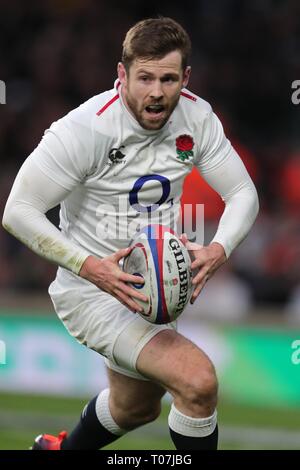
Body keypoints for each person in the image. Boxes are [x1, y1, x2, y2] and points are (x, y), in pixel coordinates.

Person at [2, 17, 259, 450]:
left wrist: (219, 248)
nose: (156, 91)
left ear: (186, 78)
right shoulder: (83, 130)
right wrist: (91, 268)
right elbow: (18, 211)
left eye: (168, 78)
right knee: (197, 381)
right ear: (122, 75)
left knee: (135, 407)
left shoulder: (196, 117)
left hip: (156, 285)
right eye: (144, 78)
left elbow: (242, 193)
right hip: (94, 291)